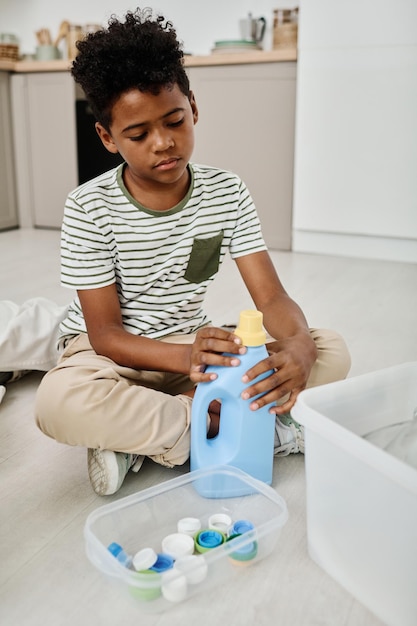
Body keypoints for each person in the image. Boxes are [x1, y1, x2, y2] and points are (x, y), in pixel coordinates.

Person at [35, 8, 351, 496]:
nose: (163, 143)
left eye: (175, 121)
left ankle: (149, 433)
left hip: (195, 349)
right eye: (138, 135)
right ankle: (239, 425)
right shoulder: (87, 207)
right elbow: (105, 333)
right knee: (58, 402)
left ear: (193, 108)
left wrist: (301, 346)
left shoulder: (226, 191)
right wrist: (187, 359)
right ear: (108, 138)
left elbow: (271, 298)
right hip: (119, 358)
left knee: (330, 348)